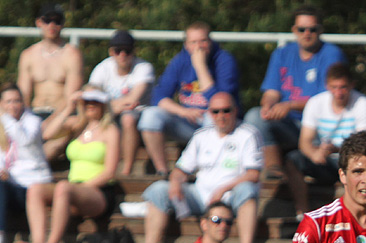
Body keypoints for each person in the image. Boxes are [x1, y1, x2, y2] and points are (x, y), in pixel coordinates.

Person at [140, 92, 261, 243]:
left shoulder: (248, 134)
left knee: (247, 190)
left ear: (235, 111)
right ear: (209, 113)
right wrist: (175, 181)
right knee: (158, 189)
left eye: (226, 111)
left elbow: (253, 174)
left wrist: (223, 189)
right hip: (200, 194)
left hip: (230, 196)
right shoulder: (201, 135)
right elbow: (181, 170)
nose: (221, 116)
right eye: (216, 111)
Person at [243, 5, 346, 179]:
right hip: (289, 125)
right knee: (254, 117)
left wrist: (289, 106)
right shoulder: (282, 53)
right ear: (294, 30)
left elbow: (328, 100)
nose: (307, 33)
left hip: (318, 129)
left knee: (297, 160)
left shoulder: (332, 55)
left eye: (312, 29)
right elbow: (271, 91)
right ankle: (273, 168)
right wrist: (268, 105)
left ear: (320, 30)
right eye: (301, 29)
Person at [138, 22, 241, 177]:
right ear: (186, 45)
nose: (198, 47)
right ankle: (162, 172)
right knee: (150, 116)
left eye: (203, 41)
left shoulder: (224, 60)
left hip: (218, 122)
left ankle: (206, 173)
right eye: (193, 42)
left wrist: (200, 67)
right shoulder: (180, 60)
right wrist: (183, 111)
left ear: (210, 41)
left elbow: (221, 101)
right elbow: (158, 96)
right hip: (187, 121)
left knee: (211, 118)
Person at [26, 86, 119, 243]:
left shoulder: (110, 130)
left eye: (95, 101)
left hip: (98, 191)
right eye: (86, 101)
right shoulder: (77, 125)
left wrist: (80, 188)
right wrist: (68, 107)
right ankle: (38, 242)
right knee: (36, 189)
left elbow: (110, 172)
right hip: (71, 189)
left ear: (103, 103)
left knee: (63, 187)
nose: (90, 104)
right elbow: (47, 133)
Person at [285, 63, 366, 216]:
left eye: (343, 87)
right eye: (334, 87)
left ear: (351, 85)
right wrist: (315, 154)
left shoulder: (363, 104)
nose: (338, 92)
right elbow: (305, 141)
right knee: (292, 160)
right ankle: (302, 212)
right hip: (324, 161)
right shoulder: (316, 103)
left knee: (362, 162)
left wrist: (338, 149)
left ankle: (358, 214)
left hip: (351, 160)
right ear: (327, 86)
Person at [17, 3, 84, 160]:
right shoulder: (28, 55)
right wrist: (25, 120)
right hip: (35, 113)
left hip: (60, 116)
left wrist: (50, 121)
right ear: (39, 22)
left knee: (59, 137)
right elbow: (23, 95)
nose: (52, 25)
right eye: (47, 20)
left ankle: (34, 167)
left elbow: (70, 98)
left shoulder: (71, 54)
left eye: (57, 21)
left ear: (62, 24)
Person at [88, 30, 155, 175]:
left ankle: (126, 170)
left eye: (127, 50)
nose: (122, 55)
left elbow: (133, 100)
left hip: (137, 116)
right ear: (111, 52)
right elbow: (91, 96)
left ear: (134, 51)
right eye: (118, 51)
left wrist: (107, 106)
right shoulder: (102, 68)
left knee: (128, 118)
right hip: (109, 114)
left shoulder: (144, 68)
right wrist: (114, 106)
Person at [0, 83, 53, 243]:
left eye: (17, 101)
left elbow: (23, 140)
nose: (13, 106)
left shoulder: (33, 122)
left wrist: (5, 118)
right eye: (8, 102)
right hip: (13, 188)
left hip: (33, 186)